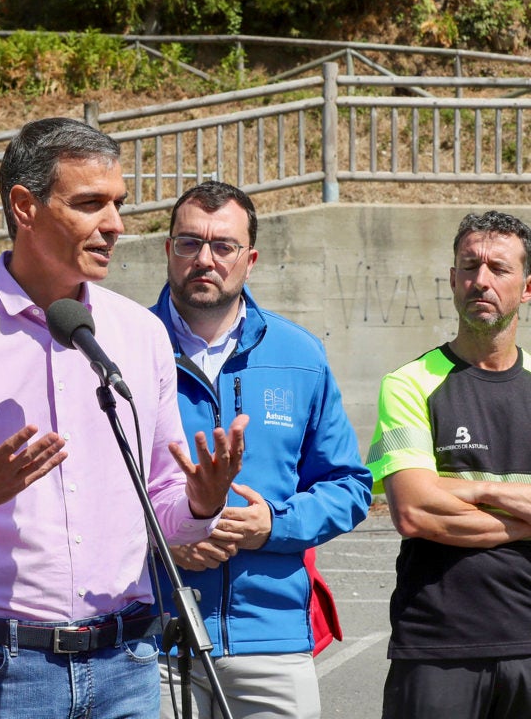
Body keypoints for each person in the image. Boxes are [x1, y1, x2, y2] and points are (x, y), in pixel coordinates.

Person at [0, 117, 248, 718]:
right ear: (25, 206)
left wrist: (202, 503)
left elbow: (165, 508)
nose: (116, 224)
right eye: (90, 204)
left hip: (128, 661)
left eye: (119, 203)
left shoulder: (141, 334)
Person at [150, 181, 372, 719]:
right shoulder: (125, 348)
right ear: (169, 250)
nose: (205, 259)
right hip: (151, 642)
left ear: (249, 260)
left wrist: (272, 525)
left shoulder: (300, 354)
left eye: (223, 246)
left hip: (271, 642)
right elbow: (82, 490)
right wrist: (162, 541)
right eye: (189, 243)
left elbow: (348, 486)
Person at [367, 210, 531, 719]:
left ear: (527, 288)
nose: (481, 280)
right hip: (436, 644)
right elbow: (415, 512)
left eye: (499, 268)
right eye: (469, 266)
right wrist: (513, 507)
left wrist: (458, 489)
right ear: (453, 278)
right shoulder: (408, 383)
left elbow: (433, 500)